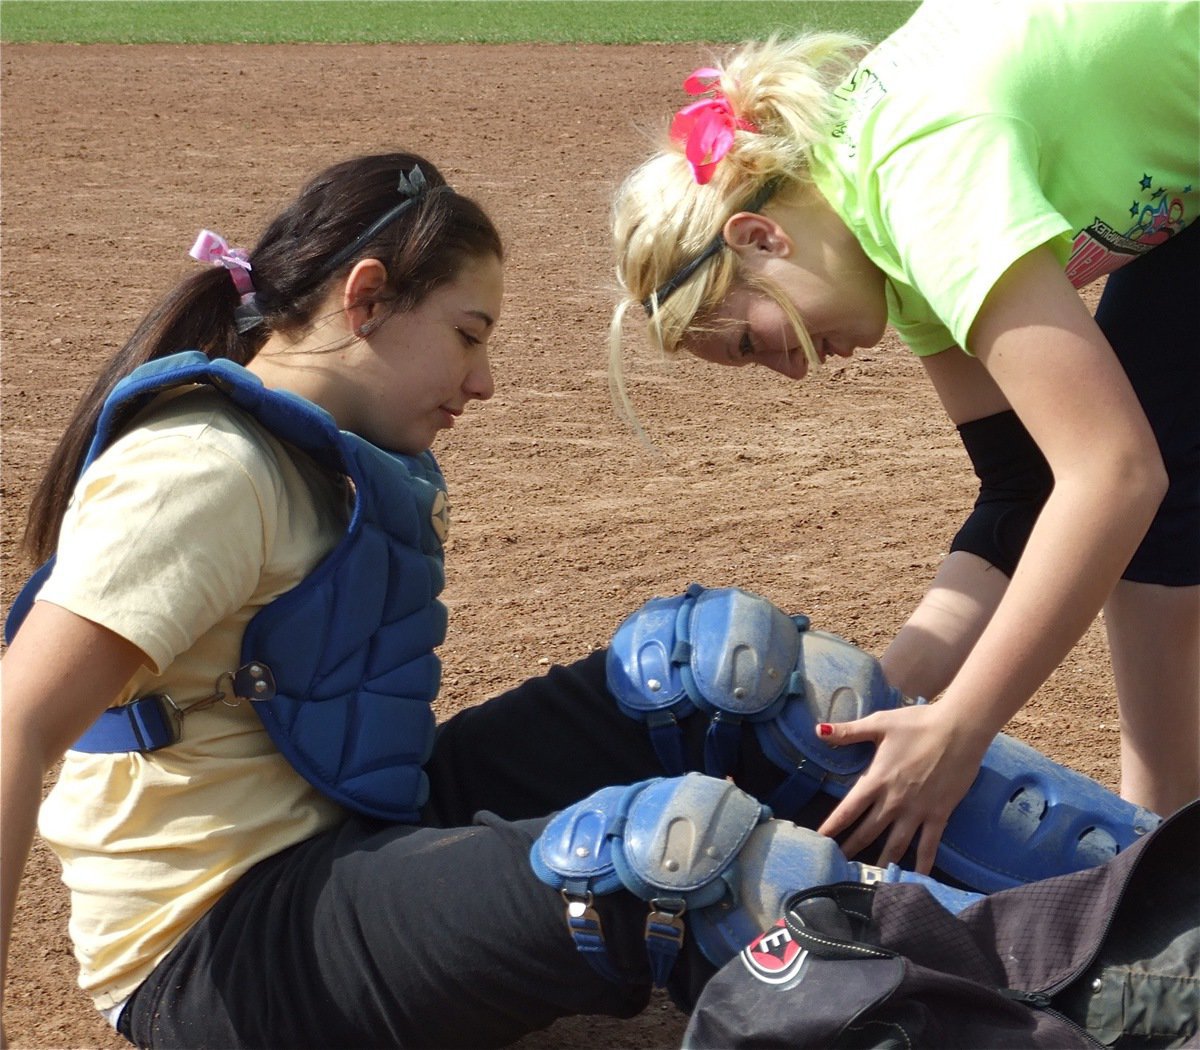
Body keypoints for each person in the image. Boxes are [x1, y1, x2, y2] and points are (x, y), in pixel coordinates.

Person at [0, 152, 1168, 1049]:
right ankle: (1120, 999)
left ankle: (1156, 885)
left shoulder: (338, 454)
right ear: (365, 299)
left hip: (354, 837)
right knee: (673, 852)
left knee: (727, 666)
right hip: (223, 954)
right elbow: (18, 719)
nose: (485, 379)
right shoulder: (202, 472)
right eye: (466, 334)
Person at [608, 1, 1200, 876]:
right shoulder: (873, 232)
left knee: (1137, 487)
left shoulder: (925, 182)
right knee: (1158, 519)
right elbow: (1021, 493)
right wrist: (866, 709)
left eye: (751, 341)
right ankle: (1166, 863)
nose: (794, 374)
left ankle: (1162, 869)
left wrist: (961, 725)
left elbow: (1110, 475)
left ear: (760, 236)